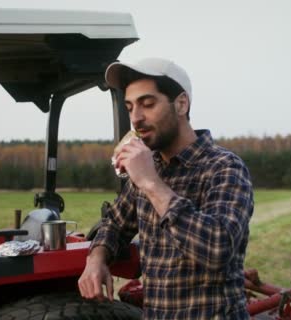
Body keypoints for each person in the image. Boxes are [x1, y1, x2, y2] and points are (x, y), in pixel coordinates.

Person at [78, 57, 254, 319]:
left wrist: (150, 183)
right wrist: (96, 259)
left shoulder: (224, 168)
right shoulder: (150, 167)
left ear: (181, 104)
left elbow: (217, 249)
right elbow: (113, 223)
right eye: (130, 107)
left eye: (147, 104)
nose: (136, 119)